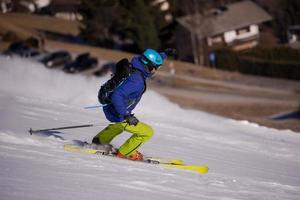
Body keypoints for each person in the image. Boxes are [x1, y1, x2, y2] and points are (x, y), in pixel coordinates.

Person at [92, 48, 176, 161]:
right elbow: (117, 95)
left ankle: (100, 141)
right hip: (118, 111)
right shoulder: (137, 81)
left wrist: (165, 54)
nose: (156, 70)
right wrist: (126, 114)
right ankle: (125, 152)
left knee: (120, 125)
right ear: (149, 66)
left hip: (111, 107)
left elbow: (150, 58)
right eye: (156, 67)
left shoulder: (135, 65)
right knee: (147, 132)